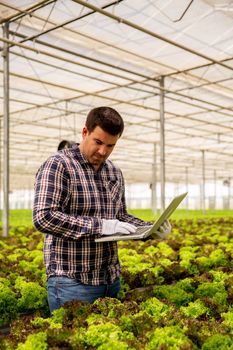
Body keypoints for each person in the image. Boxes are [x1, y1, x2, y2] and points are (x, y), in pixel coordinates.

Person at [33, 106, 171, 313]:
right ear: (85, 132)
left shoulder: (114, 172)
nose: (103, 151)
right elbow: (44, 217)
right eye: (98, 142)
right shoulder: (59, 165)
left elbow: (120, 216)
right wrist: (101, 226)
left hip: (111, 279)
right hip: (72, 282)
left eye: (111, 145)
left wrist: (150, 228)